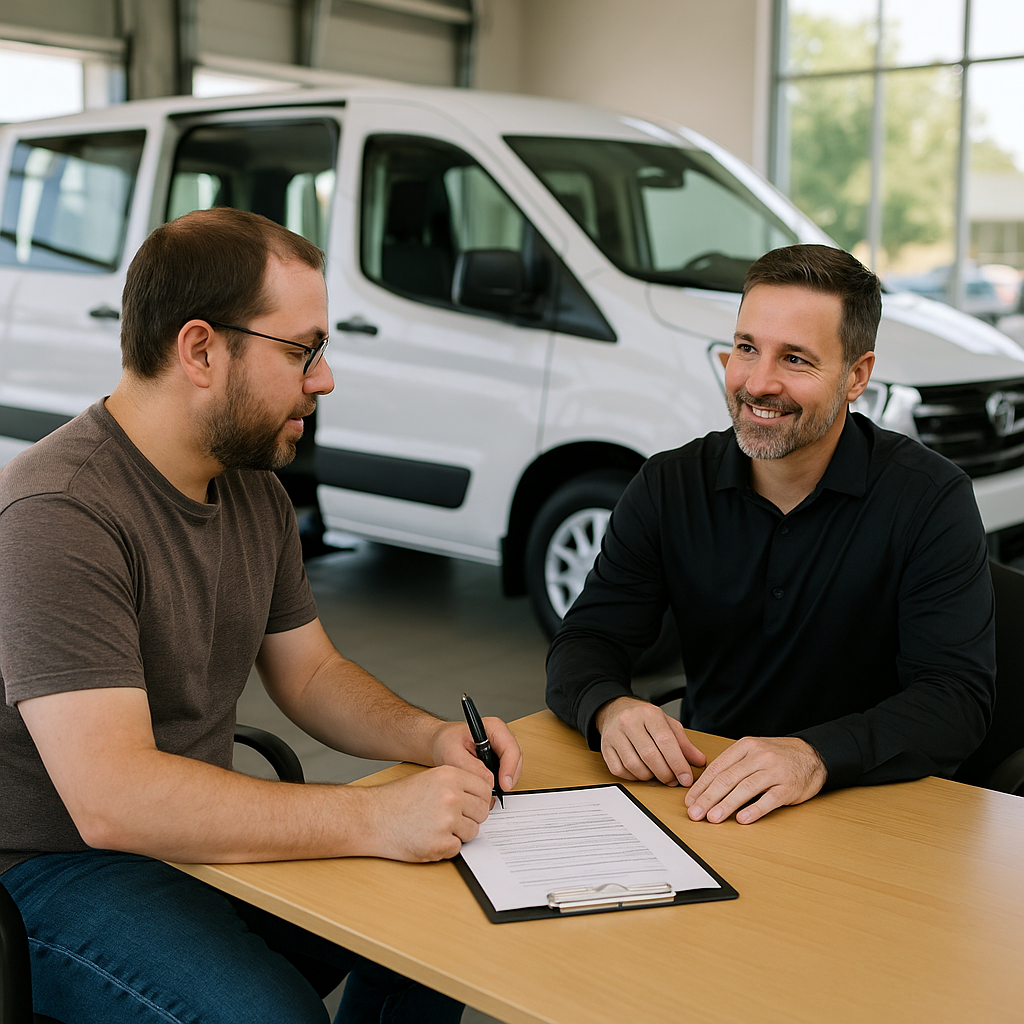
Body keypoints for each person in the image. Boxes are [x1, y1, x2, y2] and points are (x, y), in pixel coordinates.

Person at [0, 207, 522, 1024]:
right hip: (50, 871)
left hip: (187, 838)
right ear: (201, 350)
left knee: (441, 922)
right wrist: (376, 816)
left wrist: (431, 739)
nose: (324, 379)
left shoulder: (253, 490)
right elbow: (112, 798)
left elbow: (310, 674)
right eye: (301, 350)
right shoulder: (58, 512)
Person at [546, 243, 995, 827]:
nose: (758, 383)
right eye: (746, 348)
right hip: (708, 796)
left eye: (796, 359)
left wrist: (815, 756)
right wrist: (610, 707)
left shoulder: (930, 499)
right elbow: (586, 639)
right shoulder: (668, 485)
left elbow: (955, 701)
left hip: (866, 807)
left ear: (856, 376)